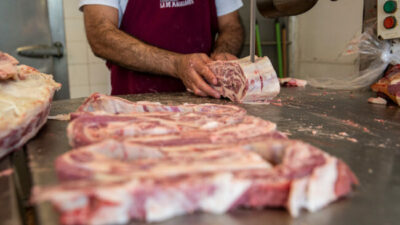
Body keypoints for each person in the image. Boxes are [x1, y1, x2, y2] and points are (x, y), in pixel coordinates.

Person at [79, 0, 244, 98]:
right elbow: (100, 35)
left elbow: (231, 25)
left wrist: (222, 55)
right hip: (137, 109)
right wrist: (176, 65)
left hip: (209, 105)